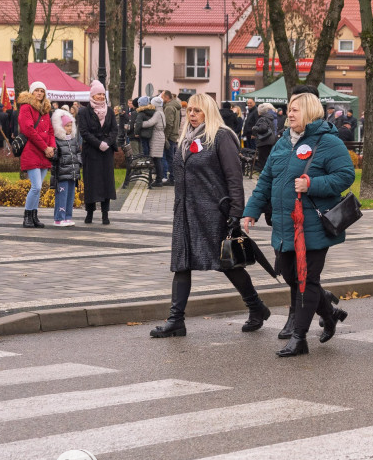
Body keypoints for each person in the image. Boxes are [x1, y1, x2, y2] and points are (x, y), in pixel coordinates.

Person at [242, 92, 354, 356]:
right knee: (292, 277)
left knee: (306, 279)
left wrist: (312, 184)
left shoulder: (328, 142)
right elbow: (266, 181)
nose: (289, 114)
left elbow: (346, 175)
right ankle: (329, 312)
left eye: (295, 110)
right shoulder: (282, 142)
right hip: (284, 225)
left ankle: (299, 338)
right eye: (289, 110)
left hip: (313, 225)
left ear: (311, 112)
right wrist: (251, 211)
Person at [152, 93, 272, 338]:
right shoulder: (184, 139)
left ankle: (256, 307)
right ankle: (176, 320)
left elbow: (233, 177)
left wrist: (236, 212)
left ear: (208, 111)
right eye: (190, 111)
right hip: (185, 212)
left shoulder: (221, 135)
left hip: (214, 212)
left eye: (198, 110)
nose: (192, 115)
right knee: (181, 264)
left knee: (227, 264)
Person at [78, 80, 118, 225]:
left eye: (102, 94)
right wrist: (98, 143)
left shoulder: (110, 111)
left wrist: (107, 143)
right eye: (98, 94)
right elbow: (83, 131)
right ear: (92, 95)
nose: (100, 97)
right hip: (91, 152)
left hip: (106, 152)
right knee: (91, 182)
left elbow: (114, 130)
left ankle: (105, 214)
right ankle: (89, 212)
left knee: (106, 182)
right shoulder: (83, 111)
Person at [17, 82, 56, 229]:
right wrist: (45, 147)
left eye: (42, 91)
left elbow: (51, 131)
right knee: (36, 186)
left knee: (38, 188)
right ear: (32, 92)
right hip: (32, 151)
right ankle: (27, 216)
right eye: (37, 91)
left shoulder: (45, 111)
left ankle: (34, 216)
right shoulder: (26, 107)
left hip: (45, 153)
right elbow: (29, 131)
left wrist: (52, 147)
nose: (39, 93)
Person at [50, 110, 81, 227]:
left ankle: (68, 217)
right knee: (62, 196)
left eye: (70, 125)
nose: (69, 128)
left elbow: (78, 152)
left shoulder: (73, 139)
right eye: (66, 126)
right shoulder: (57, 140)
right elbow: (54, 156)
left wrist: (79, 162)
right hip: (62, 173)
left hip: (72, 173)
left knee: (70, 196)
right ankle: (59, 218)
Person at [253, 102, 280, 172]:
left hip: (264, 142)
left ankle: (264, 176)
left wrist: (255, 128)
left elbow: (263, 128)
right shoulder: (271, 117)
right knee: (268, 159)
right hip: (271, 140)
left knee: (263, 161)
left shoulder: (263, 118)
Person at [162, 90, 181, 185]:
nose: (161, 99)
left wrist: (165, 137)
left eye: (162, 97)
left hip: (170, 137)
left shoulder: (169, 107)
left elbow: (169, 123)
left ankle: (172, 178)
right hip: (174, 135)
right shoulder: (176, 106)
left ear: (166, 97)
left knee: (169, 158)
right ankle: (174, 177)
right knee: (172, 158)